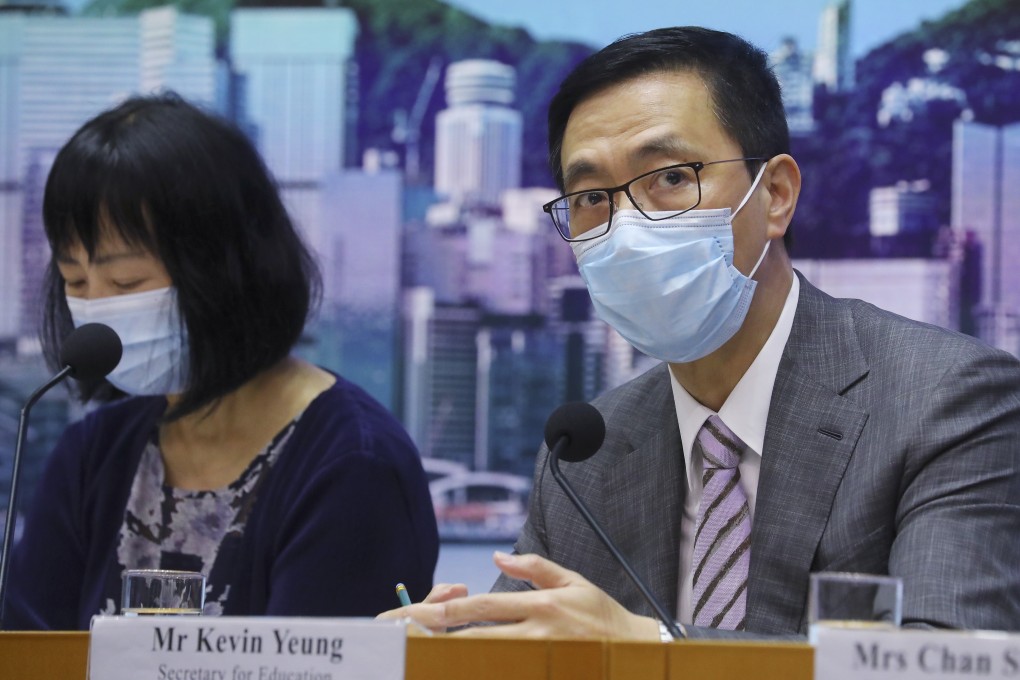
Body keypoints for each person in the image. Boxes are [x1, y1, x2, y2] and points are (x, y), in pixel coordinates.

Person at [381, 27, 1020, 640]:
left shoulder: (946, 399)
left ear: (775, 195)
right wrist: (457, 645)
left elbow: (949, 660)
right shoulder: (586, 450)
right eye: (591, 199)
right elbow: (530, 640)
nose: (626, 225)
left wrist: (651, 647)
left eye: (671, 179)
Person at [3, 94, 438, 629]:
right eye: (75, 282)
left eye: (126, 283)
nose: (97, 308)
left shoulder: (353, 464)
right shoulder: (92, 454)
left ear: (225, 267)